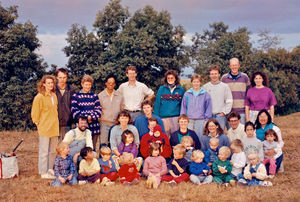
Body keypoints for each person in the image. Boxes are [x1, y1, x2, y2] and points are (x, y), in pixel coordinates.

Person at [31, 75, 59, 179]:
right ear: (43, 84)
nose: (51, 85)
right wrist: (39, 125)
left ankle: (50, 170)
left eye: (52, 83)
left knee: (53, 151)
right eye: (48, 83)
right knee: (44, 152)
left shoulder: (54, 95)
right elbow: (35, 114)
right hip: (44, 128)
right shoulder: (39, 97)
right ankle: (43, 172)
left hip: (54, 127)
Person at [71, 75, 102, 151]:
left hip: (94, 128)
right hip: (81, 128)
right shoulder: (76, 96)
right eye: (86, 84)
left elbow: (98, 111)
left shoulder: (95, 96)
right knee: (80, 149)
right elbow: (74, 112)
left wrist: (90, 117)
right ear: (82, 84)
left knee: (92, 149)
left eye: (89, 85)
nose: (88, 86)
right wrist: (87, 118)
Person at [180, 74, 212, 142]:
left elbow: (208, 108)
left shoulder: (205, 94)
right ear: (191, 82)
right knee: (188, 138)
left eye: (197, 82)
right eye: (194, 82)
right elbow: (183, 107)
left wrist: (206, 120)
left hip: (200, 120)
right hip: (189, 120)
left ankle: (199, 151)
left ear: (200, 82)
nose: (196, 83)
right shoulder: (187, 94)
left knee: (199, 138)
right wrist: (183, 119)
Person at [154, 70, 185, 137]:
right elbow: (157, 103)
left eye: (172, 78)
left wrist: (182, 117)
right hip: (164, 118)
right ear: (166, 79)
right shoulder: (162, 89)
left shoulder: (180, 89)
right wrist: (156, 117)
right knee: (165, 137)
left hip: (176, 117)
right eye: (168, 78)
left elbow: (183, 105)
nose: (170, 79)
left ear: (175, 79)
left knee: (176, 137)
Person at [221, 58, 250, 125]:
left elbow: (248, 94)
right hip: (229, 111)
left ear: (239, 65)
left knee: (242, 132)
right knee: (231, 133)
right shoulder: (224, 78)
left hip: (242, 112)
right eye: (232, 65)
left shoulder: (245, 77)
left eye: (236, 65)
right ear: (229, 66)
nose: (234, 67)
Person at [203, 65, 233, 130]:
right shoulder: (205, 87)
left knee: (220, 135)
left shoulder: (225, 86)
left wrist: (224, 112)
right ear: (209, 75)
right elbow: (202, 103)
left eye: (215, 74)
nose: (214, 76)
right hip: (209, 116)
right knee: (210, 135)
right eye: (212, 74)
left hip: (220, 116)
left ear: (219, 74)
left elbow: (229, 101)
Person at [98, 74, 123, 148]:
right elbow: (98, 110)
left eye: (112, 83)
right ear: (106, 83)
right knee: (103, 145)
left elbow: (122, 110)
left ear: (115, 84)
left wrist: (119, 121)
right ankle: (102, 159)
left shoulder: (119, 96)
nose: (110, 85)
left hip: (116, 123)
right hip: (104, 123)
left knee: (116, 144)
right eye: (109, 83)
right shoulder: (100, 95)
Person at [55, 68, 75, 140]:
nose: (62, 79)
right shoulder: (53, 90)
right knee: (56, 146)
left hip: (68, 122)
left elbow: (73, 106)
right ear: (57, 77)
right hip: (55, 122)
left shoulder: (71, 90)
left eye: (64, 77)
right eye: (60, 77)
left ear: (67, 77)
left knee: (66, 145)